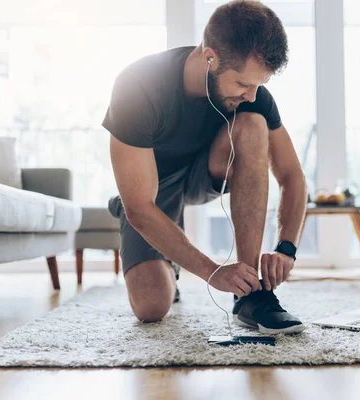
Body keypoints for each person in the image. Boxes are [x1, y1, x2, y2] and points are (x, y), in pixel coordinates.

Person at [104, 0, 307, 334]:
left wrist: (287, 248)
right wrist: (212, 271)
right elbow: (141, 207)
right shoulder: (138, 85)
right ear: (210, 57)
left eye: (259, 85)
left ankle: (252, 295)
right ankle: (166, 260)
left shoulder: (252, 99)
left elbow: (291, 175)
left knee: (253, 124)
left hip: (207, 171)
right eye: (243, 84)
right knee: (152, 307)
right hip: (152, 192)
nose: (252, 95)